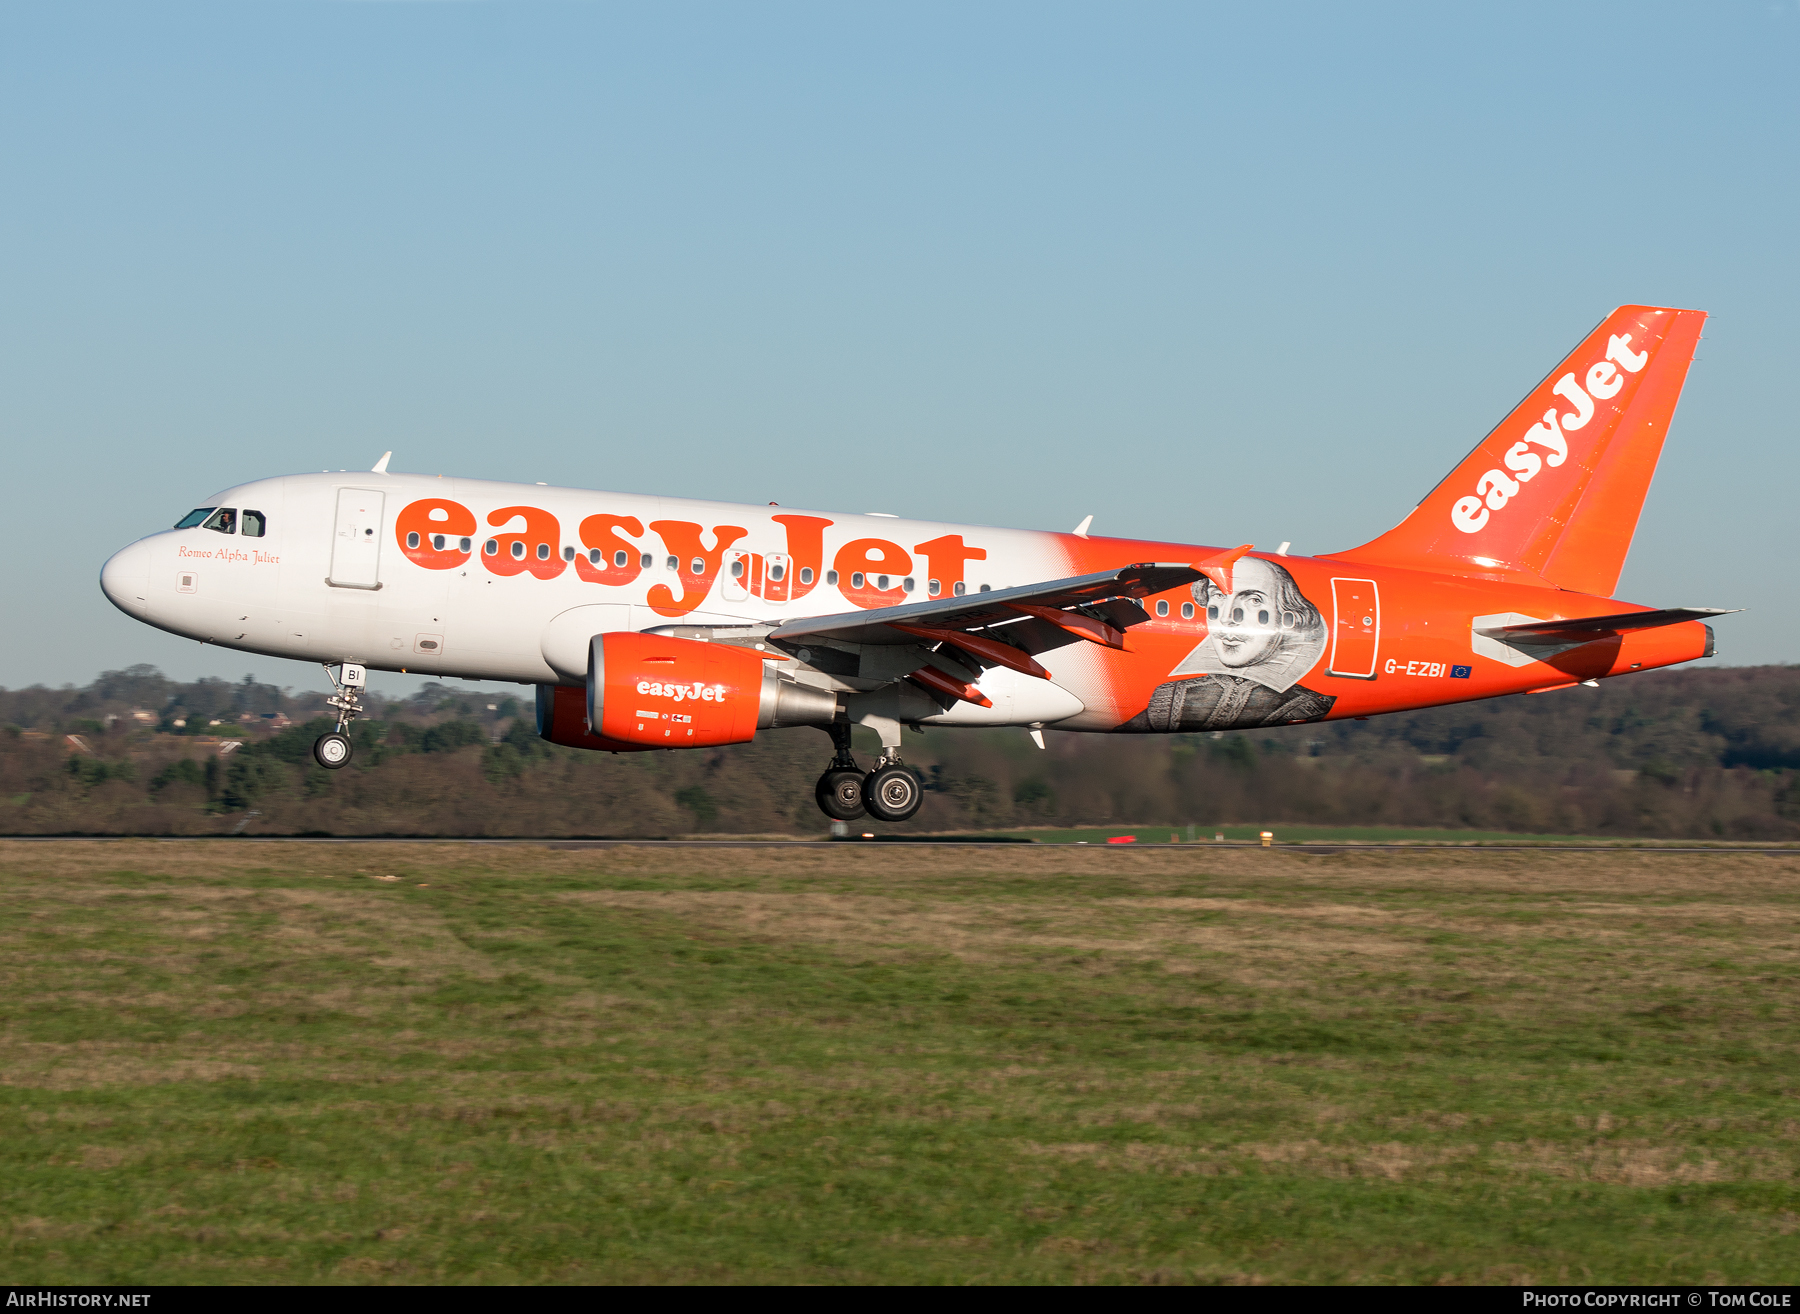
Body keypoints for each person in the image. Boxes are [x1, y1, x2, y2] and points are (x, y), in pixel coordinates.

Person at [1123, 555, 1335, 732]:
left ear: (1288, 618)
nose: (1227, 617)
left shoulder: (1308, 704)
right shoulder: (1168, 694)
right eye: (1219, 597)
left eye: (1253, 601)